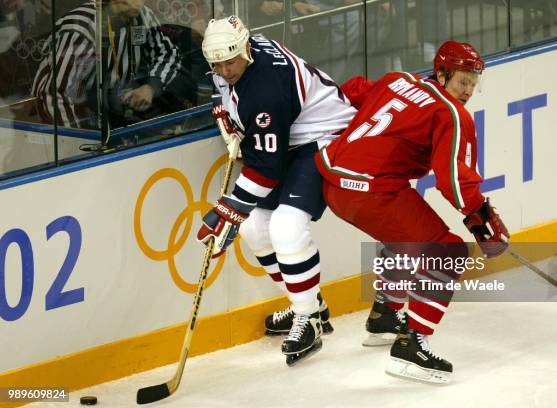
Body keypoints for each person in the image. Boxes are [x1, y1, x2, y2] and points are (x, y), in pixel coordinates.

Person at [314, 41, 509, 382]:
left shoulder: (397, 80)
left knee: (407, 235)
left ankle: (386, 316)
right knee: (447, 251)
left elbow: (350, 92)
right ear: (442, 73)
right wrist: (482, 219)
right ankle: (412, 346)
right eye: (462, 81)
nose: (468, 91)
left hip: (332, 182)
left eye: (473, 84)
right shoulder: (451, 114)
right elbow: (453, 180)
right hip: (371, 193)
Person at [197, 15, 356, 365]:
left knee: (285, 227)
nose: (224, 70)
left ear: (246, 51)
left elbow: (266, 170)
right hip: (288, 138)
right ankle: (309, 304)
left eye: (230, 61)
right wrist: (224, 111)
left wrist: (228, 208)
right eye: (216, 64)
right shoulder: (239, 59)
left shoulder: (265, 88)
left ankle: (308, 319)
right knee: (255, 228)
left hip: (323, 137)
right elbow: (223, 89)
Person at [31, 0, 193, 129]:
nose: (138, 5)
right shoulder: (81, 30)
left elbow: (167, 53)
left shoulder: (141, 16)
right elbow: (56, 94)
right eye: (125, 11)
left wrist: (151, 87)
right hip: (73, 114)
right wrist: (78, 143)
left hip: (114, 110)